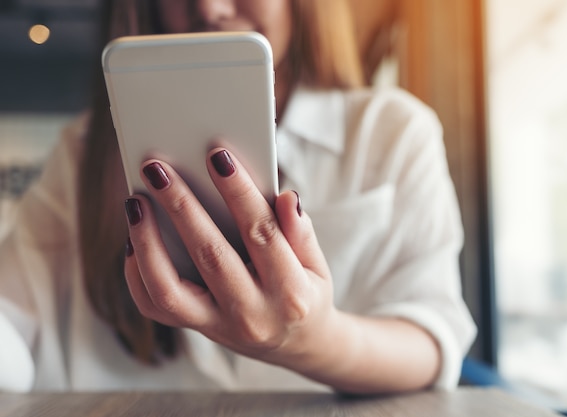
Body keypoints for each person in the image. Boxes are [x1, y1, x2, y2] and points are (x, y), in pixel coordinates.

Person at [0, 0, 476, 393]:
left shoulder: (390, 132)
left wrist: (315, 339)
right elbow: (11, 316)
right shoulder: (85, 153)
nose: (210, 8)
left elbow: (433, 340)